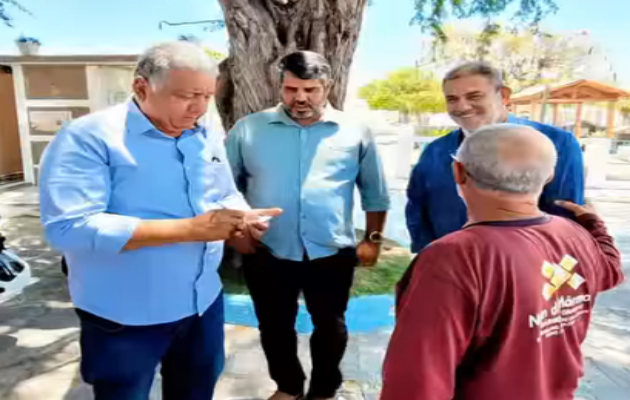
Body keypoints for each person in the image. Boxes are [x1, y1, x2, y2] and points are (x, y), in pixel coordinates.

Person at [39, 41, 281, 400]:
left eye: (206, 96)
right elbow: (69, 227)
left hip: (202, 305)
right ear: (141, 87)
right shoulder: (88, 138)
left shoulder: (204, 135)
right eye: (186, 95)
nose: (198, 108)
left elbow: (223, 192)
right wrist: (189, 230)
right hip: (125, 316)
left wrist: (242, 216)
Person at [381, 124, 625, 400]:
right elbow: (610, 270)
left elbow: (416, 383)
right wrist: (593, 224)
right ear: (549, 176)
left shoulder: (453, 258)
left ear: (458, 172)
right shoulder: (574, 235)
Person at [226, 51, 390, 400]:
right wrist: (237, 235)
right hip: (268, 250)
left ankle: (323, 390)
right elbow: (225, 189)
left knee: (330, 326)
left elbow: (375, 193)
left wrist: (373, 240)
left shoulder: (355, 131)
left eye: (310, 89)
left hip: (331, 250)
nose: (299, 98)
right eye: (291, 89)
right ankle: (288, 387)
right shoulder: (248, 129)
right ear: (281, 86)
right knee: (273, 326)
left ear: (326, 86)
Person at [406, 61, 585, 253]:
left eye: (474, 96)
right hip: (450, 268)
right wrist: (428, 257)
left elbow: (566, 215)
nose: (462, 106)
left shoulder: (558, 143)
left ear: (504, 96)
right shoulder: (435, 151)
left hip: (522, 269)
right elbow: (418, 209)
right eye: (452, 99)